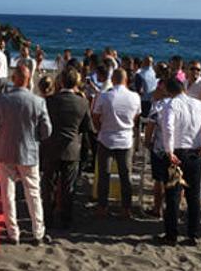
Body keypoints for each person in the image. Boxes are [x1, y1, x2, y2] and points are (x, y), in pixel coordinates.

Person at [0, 65, 52, 245]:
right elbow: (47, 131)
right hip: (29, 151)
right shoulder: (38, 102)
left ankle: (12, 232)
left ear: (13, 79)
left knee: (8, 193)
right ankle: (37, 232)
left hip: (6, 150)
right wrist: (33, 137)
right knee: (33, 193)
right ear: (29, 79)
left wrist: (3, 133)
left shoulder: (1, 100)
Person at [159, 77, 201, 246]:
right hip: (195, 153)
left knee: (173, 196)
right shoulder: (200, 105)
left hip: (178, 153)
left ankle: (171, 235)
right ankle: (193, 234)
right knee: (193, 196)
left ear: (168, 90)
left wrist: (169, 150)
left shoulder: (170, 105)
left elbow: (168, 127)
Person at [41, 69, 94, 230]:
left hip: (51, 146)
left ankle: (47, 217)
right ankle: (66, 219)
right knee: (68, 186)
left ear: (61, 82)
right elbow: (88, 128)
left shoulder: (50, 101)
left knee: (49, 184)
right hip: (71, 148)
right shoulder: (82, 102)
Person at [92, 68, 141, 219]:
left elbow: (95, 116)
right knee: (125, 175)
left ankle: (102, 207)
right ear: (126, 80)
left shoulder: (105, 96)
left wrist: (101, 128)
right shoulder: (134, 97)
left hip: (106, 137)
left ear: (113, 80)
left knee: (104, 175)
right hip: (125, 139)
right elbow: (136, 117)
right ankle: (126, 208)